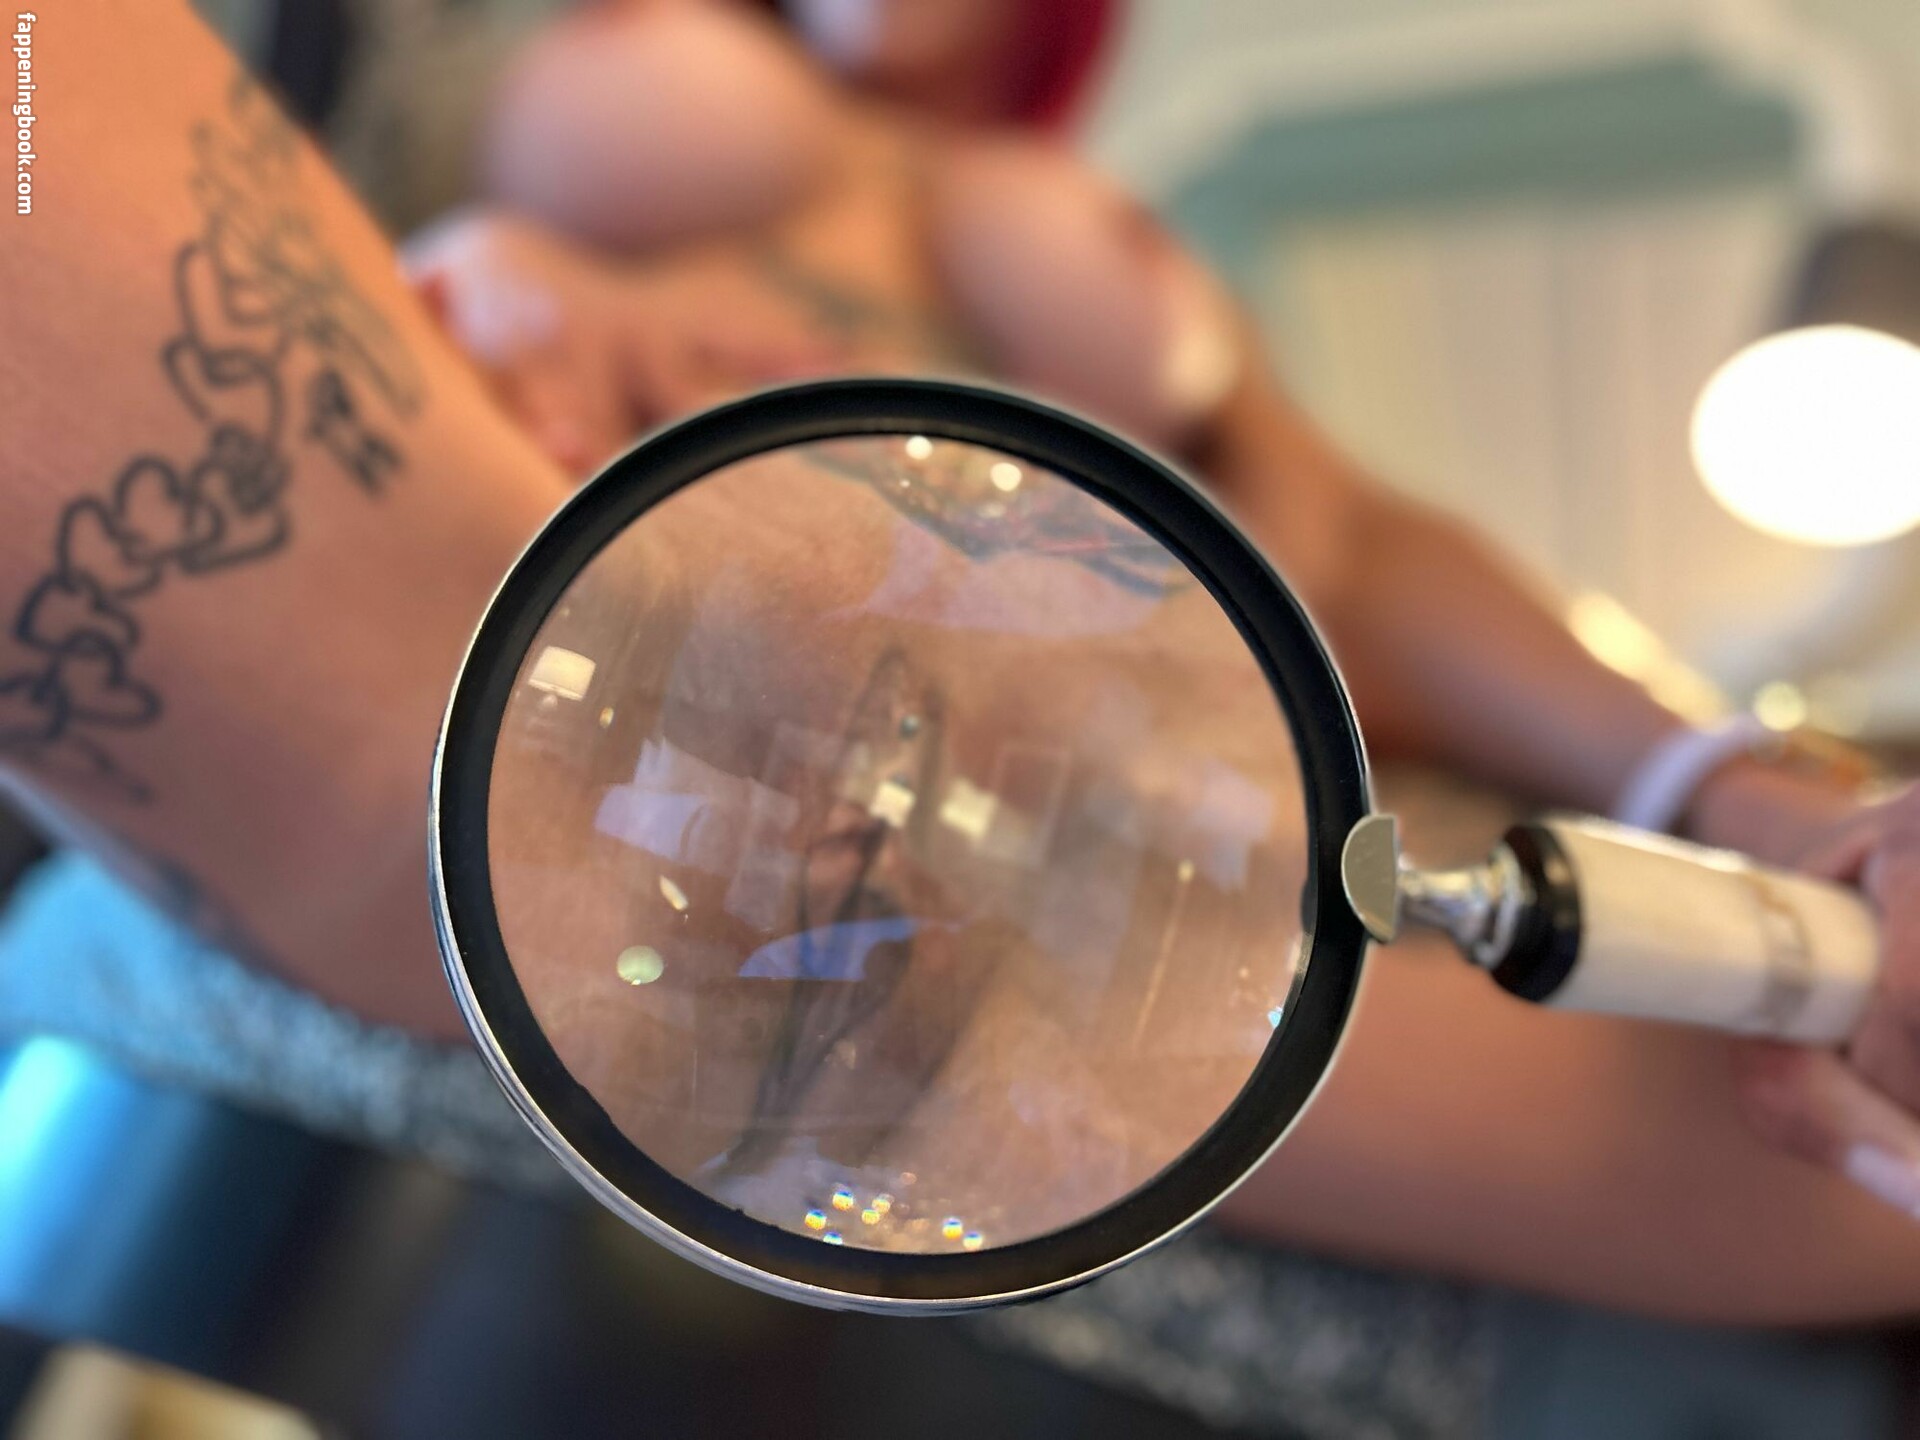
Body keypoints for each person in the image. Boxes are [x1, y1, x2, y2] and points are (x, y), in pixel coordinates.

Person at [3, 0, 1920, 1339]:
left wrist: (1726, 785)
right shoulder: (577, 96)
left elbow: (1346, 550)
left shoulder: (1045, 213)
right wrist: (483, 286)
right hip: (564, 719)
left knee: (1839, 1144)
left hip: (1157, 871)